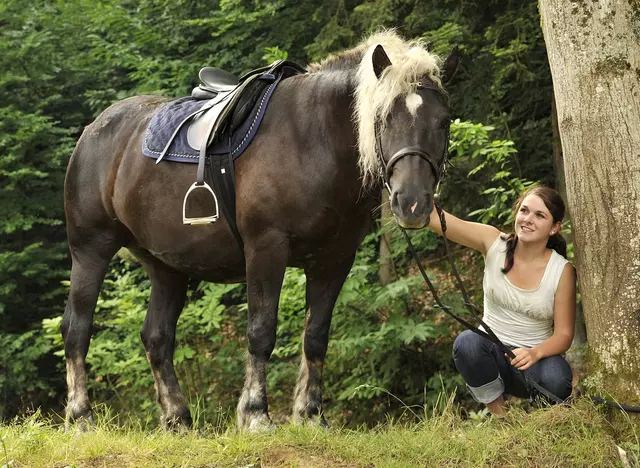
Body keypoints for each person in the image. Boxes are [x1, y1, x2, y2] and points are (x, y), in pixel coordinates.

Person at [428, 185, 576, 416]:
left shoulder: (562, 270)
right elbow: (439, 220)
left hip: (534, 364)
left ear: (554, 228)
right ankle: (502, 419)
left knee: (557, 378)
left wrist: (534, 353)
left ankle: (545, 423)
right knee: (467, 343)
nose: (528, 219)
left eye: (540, 215)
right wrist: (414, 190)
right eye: (524, 211)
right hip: (491, 356)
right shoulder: (494, 243)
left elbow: (564, 335)